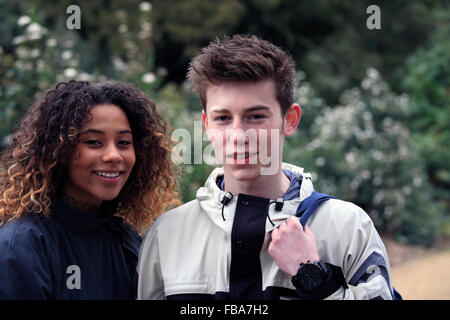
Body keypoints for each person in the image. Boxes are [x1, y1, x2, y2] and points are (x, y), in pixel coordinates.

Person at [137, 34, 398, 300]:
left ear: (290, 120)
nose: (238, 135)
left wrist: (313, 277)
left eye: (255, 116)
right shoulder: (166, 234)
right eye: (223, 118)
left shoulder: (348, 227)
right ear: (206, 125)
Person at [0, 80, 179, 299]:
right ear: (59, 151)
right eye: (94, 142)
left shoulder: (128, 242)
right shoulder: (22, 244)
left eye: (124, 142)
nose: (114, 156)